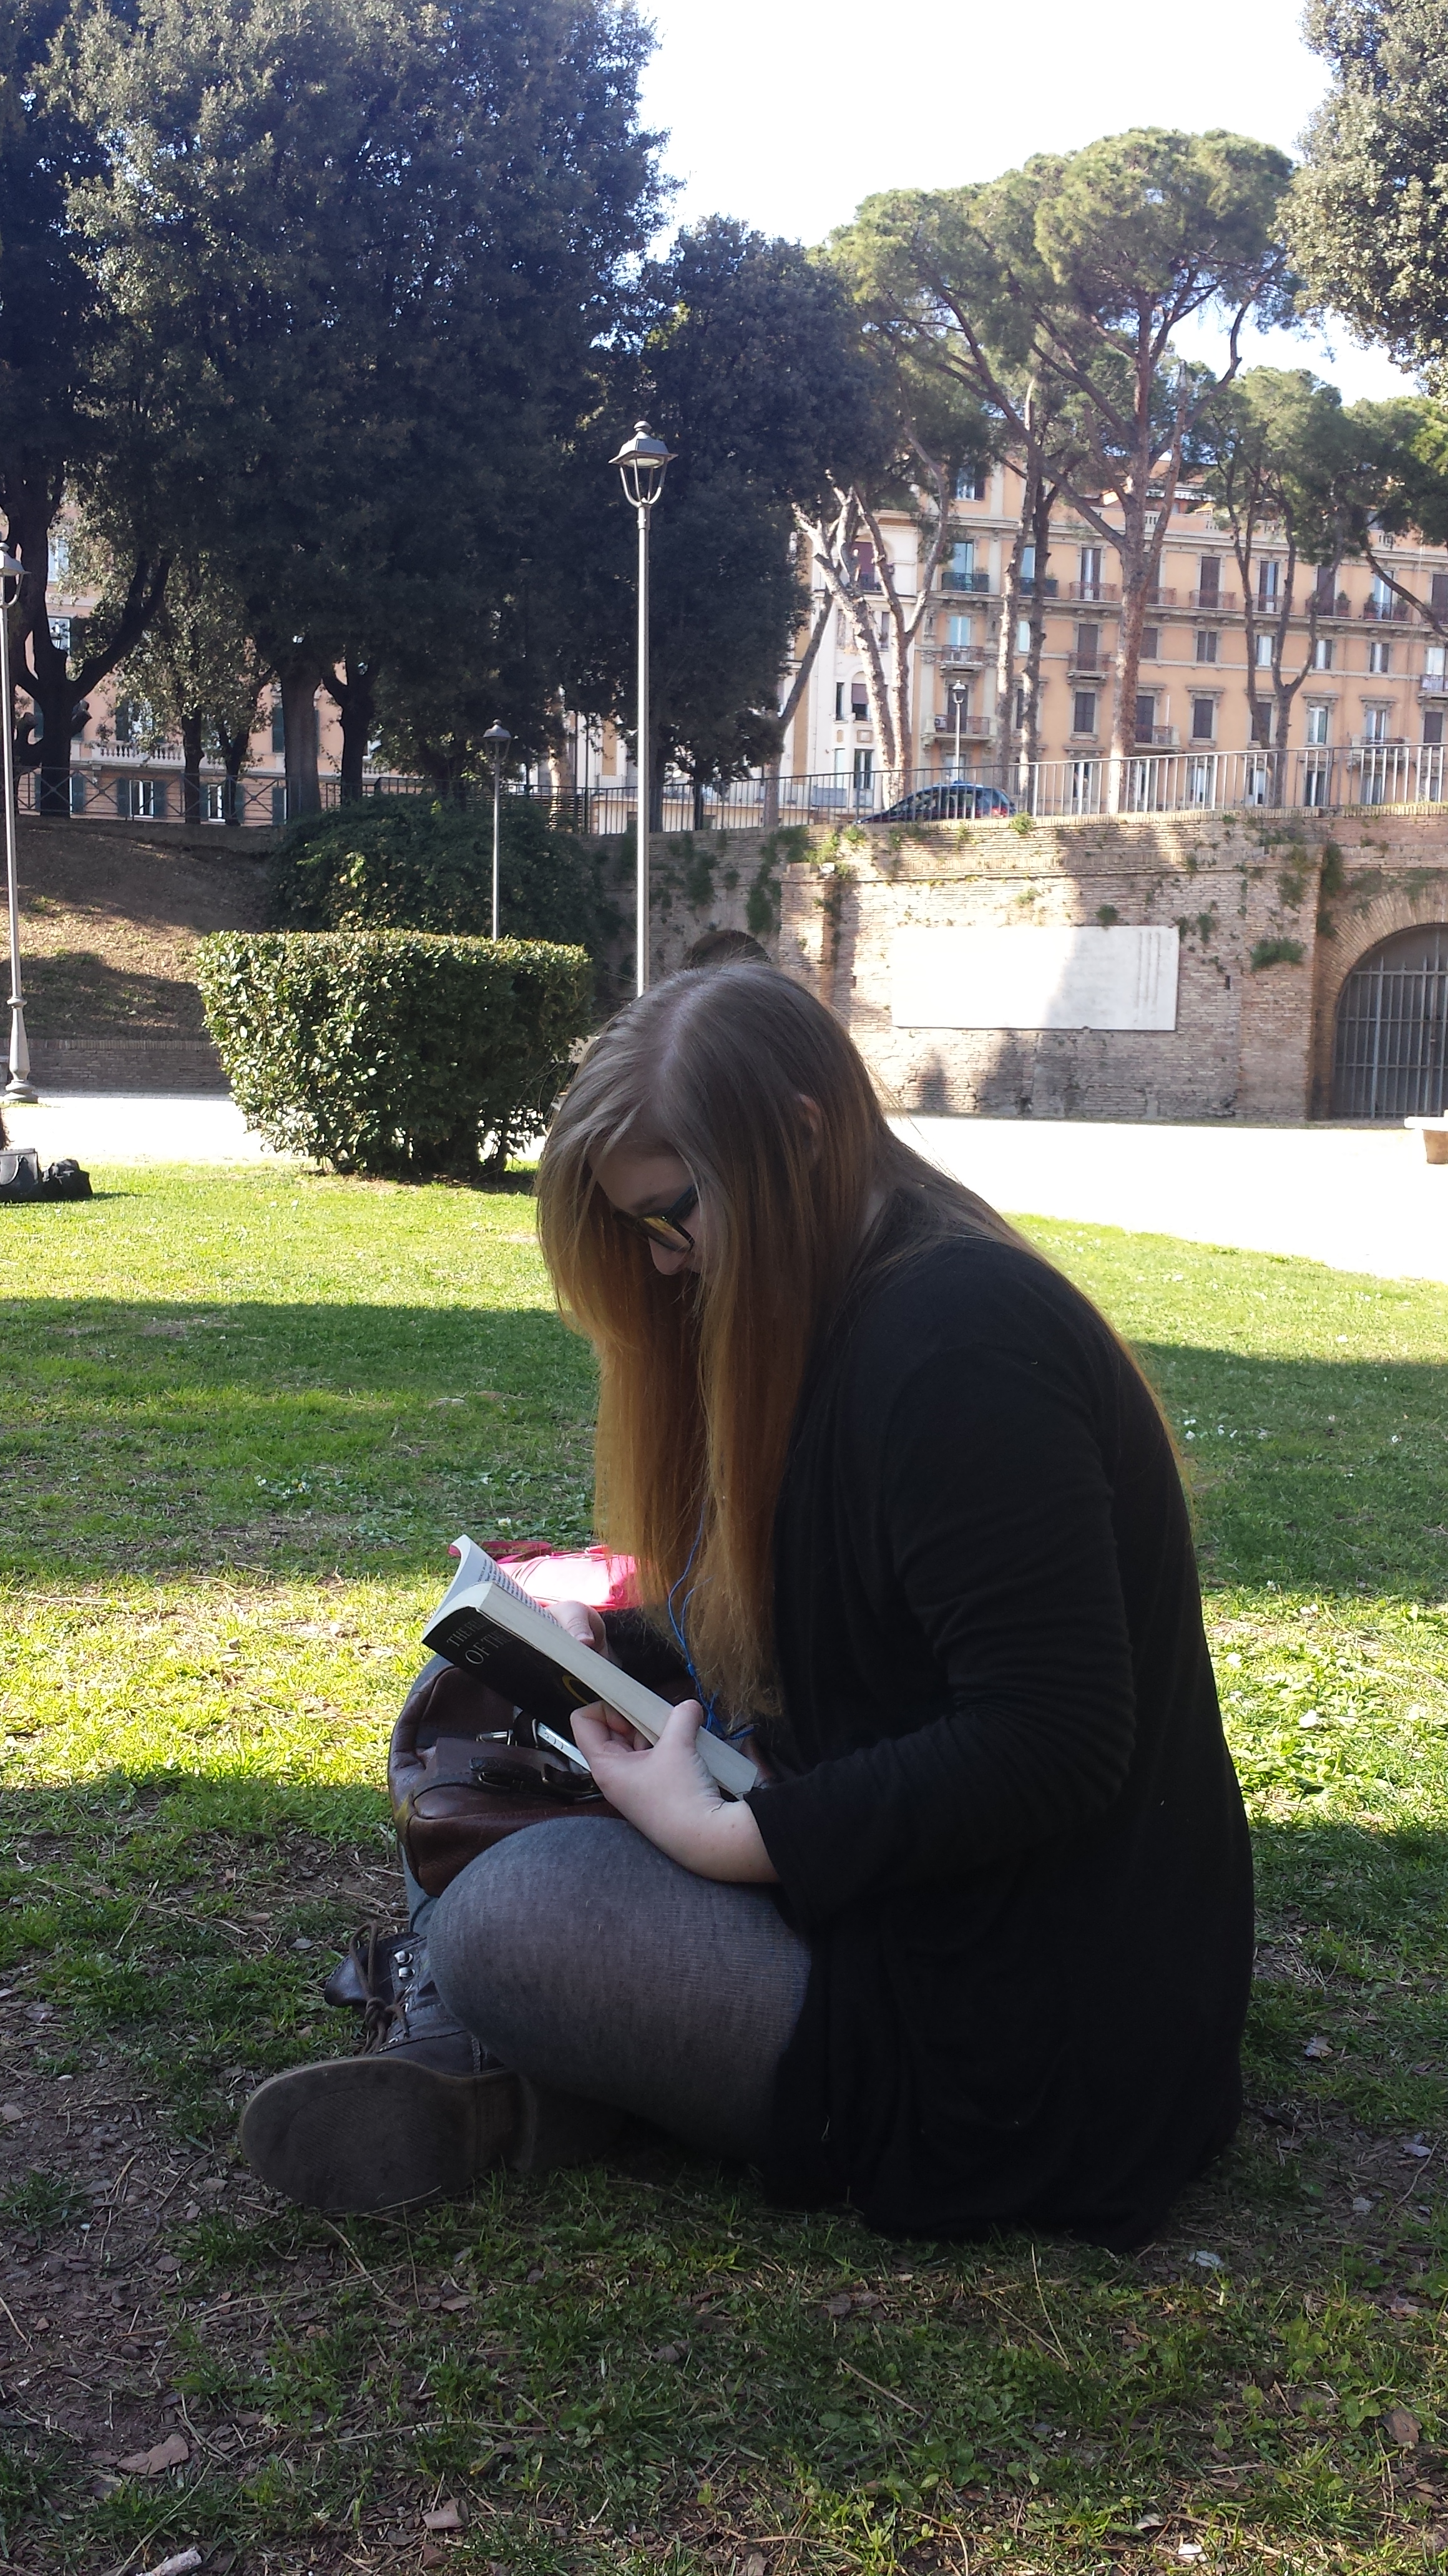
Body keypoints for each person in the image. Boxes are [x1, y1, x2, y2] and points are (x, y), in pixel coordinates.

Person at [242, 963, 1252, 2246]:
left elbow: (1050, 1738)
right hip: (904, 1888)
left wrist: (732, 1842)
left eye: (672, 1219)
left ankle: (483, 2040)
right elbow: (850, 1638)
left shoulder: (961, 1338)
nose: (663, 1269)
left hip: (1017, 2021)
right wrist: (601, 1648)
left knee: (512, 1915)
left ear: (800, 1135)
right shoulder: (846, 1297)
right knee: (483, 1695)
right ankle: (512, 2060)